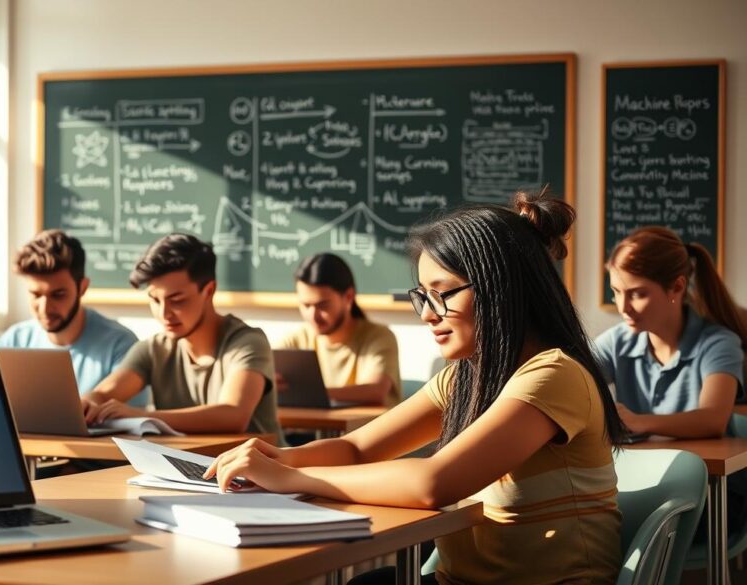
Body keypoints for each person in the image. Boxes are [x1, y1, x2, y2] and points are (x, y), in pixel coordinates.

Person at [206, 191, 625, 584]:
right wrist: (280, 458)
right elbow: (357, 449)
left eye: (442, 295)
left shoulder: (553, 375)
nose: (428, 315)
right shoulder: (464, 378)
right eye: (422, 297)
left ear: (500, 289)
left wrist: (290, 478)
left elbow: (434, 483)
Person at [594, 226, 746, 537]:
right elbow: (574, 383)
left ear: (676, 287)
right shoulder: (616, 342)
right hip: (645, 484)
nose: (623, 308)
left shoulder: (718, 343)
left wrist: (638, 421)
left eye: (637, 293)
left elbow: (712, 420)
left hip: (711, 496)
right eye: (616, 292)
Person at [82, 233, 281, 437]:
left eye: (176, 300)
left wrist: (141, 416)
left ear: (209, 290)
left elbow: (233, 415)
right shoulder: (154, 349)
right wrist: (89, 405)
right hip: (187, 467)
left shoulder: (247, 343)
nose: (164, 313)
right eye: (155, 300)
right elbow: (103, 394)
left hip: (256, 468)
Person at [0, 229, 141, 400]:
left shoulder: (120, 345)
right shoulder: (14, 340)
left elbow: (127, 421)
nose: (45, 308)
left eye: (58, 295)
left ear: (83, 288)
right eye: (35, 295)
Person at [277, 253, 400, 406]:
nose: (312, 316)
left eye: (322, 305)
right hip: (309, 429)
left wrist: (310, 393)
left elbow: (375, 391)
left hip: (368, 429)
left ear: (348, 297)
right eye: (306, 305)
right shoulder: (296, 340)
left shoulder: (378, 337)